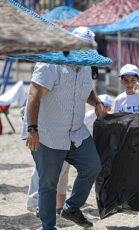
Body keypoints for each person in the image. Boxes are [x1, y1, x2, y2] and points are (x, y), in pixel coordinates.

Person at [23, 26, 105, 229]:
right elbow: (33, 95)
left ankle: (71, 208)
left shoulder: (85, 65)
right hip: (47, 134)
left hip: (75, 132)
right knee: (48, 184)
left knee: (92, 166)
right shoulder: (51, 64)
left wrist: (96, 102)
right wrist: (32, 129)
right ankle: (48, 226)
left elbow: (85, 90)